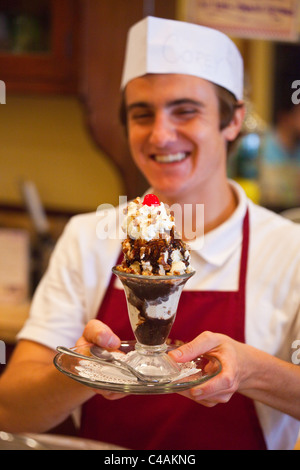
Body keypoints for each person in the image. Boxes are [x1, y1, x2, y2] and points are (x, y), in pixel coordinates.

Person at [0, 16, 299, 450]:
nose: (160, 134)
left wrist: (253, 371)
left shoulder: (288, 249)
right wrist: (84, 374)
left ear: (233, 120)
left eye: (186, 110)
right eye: (142, 114)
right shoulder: (89, 236)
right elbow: (10, 409)